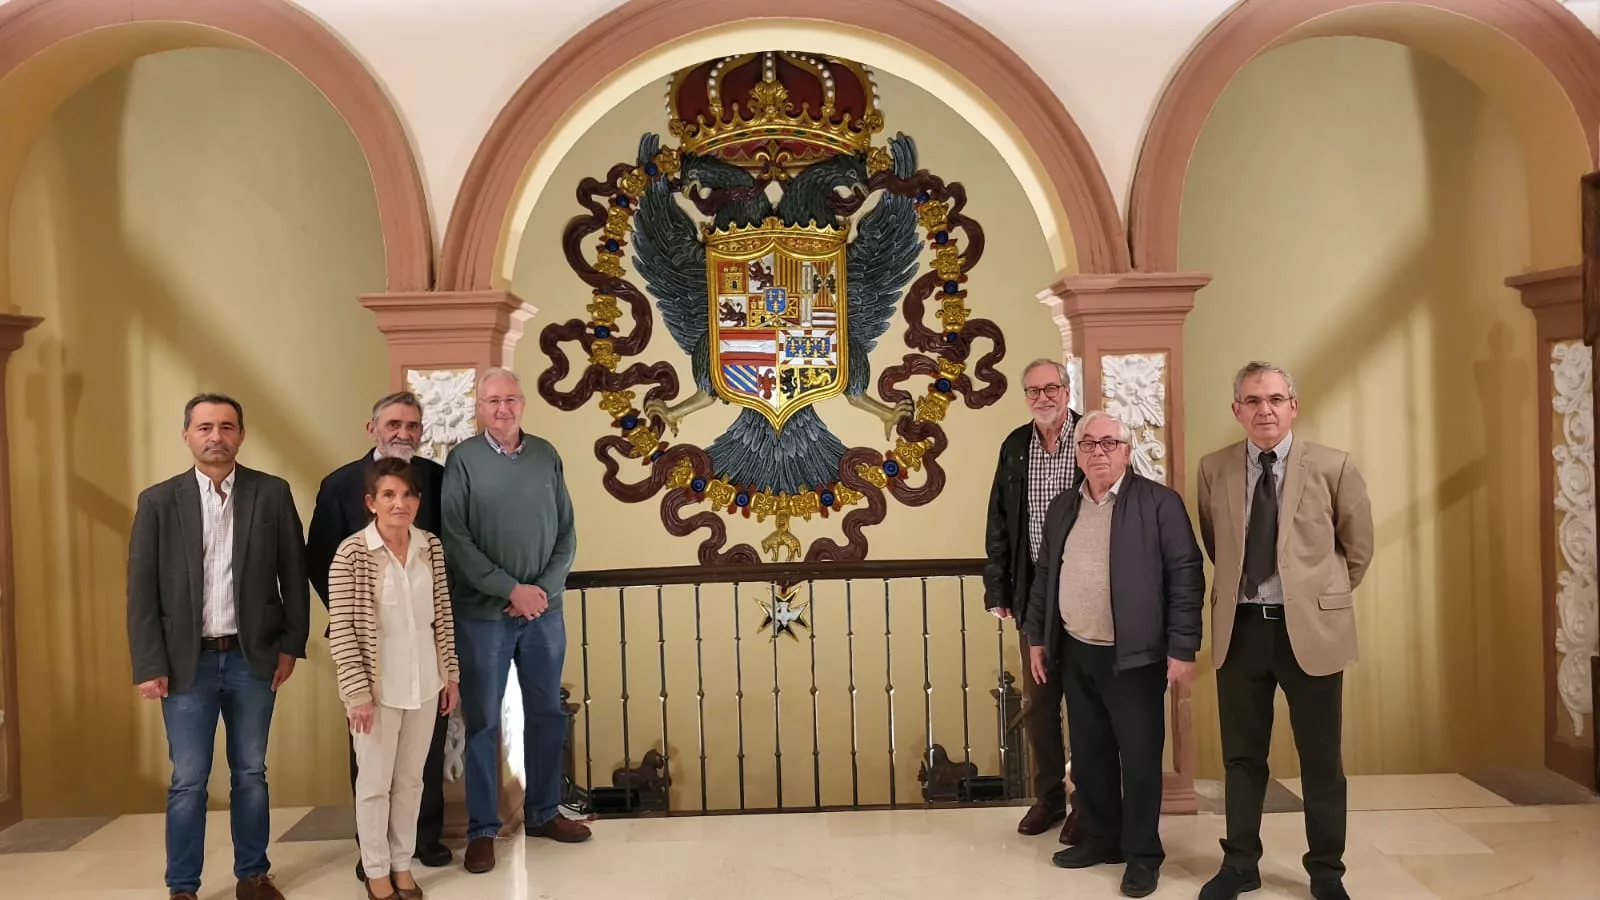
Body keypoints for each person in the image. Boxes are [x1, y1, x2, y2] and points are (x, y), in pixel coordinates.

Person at [1196, 362, 1373, 900]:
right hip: (1243, 628)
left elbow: (1357, 549)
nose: (1264, 410)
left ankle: (1326, 873)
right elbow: (1215, 541)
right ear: (1237, 411)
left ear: (1293, 405)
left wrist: (1314, 599)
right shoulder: (1214, 469)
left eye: (1275, 399)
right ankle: (1240, 866)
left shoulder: (1333, 466)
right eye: (1252, 400)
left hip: (1311, 633)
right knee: (1242, 757)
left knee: (1321, 760)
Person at [125, 393, 308, 900]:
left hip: (254, 659)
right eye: (205, 427)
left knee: (250, 771)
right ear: (186, 435)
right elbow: (141, 592)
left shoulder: (271, 494)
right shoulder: (158, 502)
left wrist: (292, 643)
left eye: (227, 427)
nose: (216, 436)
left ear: (241, 435)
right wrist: (148, 663)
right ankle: (183, 886)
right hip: (187, 664)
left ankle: (253, 874)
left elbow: (293, 573)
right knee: (189, 780)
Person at [1024, 409, 1203, 899]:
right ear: (1077, 452)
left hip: (1137, 658)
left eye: (1109, 443)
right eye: (1089, 444)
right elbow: (1044, 577)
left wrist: (1182, 647)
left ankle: (1142, 854)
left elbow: (1186, 577)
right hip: (1077, 652)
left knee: (1140, 758)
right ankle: (1101, 839)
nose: (1098, 452)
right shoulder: (1063, 507)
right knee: (1090, 755)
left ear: (1128, 450)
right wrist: (1038, 638)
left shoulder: (1160, 505)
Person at [442, 367, 585, 874]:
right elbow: (455, 540)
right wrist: (510, 589)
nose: (503, 408)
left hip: (543, 614)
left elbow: (567, 532)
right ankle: (483, 828)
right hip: (484, 616)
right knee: (481, 722)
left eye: (511, 399)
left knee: (547, 714)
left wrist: (540, 592)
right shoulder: (461, 462)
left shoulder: (546, 455)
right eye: (492, 400)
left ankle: (545, 811)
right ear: (478, 407)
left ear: (523, 404)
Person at [307, 391, 452, 878]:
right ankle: (372, 861)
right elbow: (320, 559)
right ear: (373, 429)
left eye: (413, 425)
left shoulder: (435, 479)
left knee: (418, 764)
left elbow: (442, 593)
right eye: (394, 424)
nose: (403, 433)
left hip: (422, 656)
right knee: (373, 769)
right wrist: (358, 618)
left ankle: (417, 844)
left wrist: (448, 667)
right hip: (370, 652)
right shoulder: (339, 485)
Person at [328, 457, 461, 900]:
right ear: (371, 502)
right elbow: (343, 629)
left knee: (411, 781)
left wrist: (451, 675)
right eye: (388, 494)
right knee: (373, 785)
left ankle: (404, 865)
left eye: (407, 494)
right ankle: (377, 870)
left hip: (425, 681)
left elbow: (442, 614)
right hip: (376, 690)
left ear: (418, 501)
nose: (399, 502)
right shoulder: (351, 553)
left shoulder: (431, 547)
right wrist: (357, 694)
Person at [983, 358, 1083, 843]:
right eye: (1033, 391)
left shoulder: (1092, 439)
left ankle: (1087, 799)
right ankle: (1049, 798)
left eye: (1051, 388)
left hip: (1090, 592)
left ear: (1067, 391)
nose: (1042, 397)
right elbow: (999, 522)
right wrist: (998, 588)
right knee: (1041, 704)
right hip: (1036, 595)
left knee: (1088, 703)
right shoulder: (1016, 447)